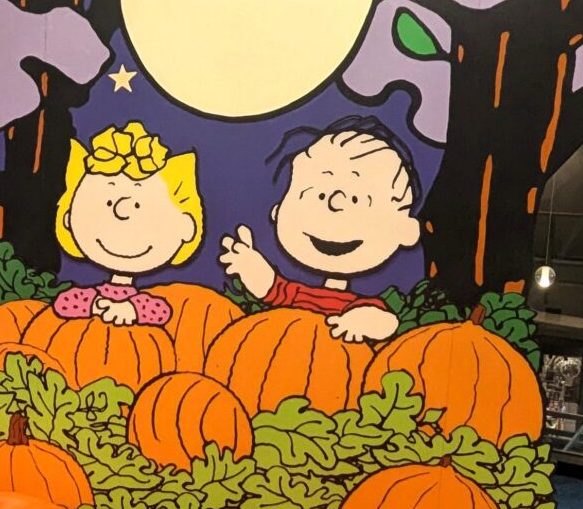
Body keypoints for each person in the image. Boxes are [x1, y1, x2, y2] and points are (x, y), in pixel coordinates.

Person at [219, 115, 421, 343]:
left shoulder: (355, 305)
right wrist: (250, 265)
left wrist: (361, 321)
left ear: (405, 231)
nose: (334, 206)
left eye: (357, 200)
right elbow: (273, 290)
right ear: (278, 212)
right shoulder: (296, 294)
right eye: (319, 195)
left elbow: (386, 322)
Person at [49, 122, 202, 326]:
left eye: (139, 205)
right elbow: (63, 304)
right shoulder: (89, 296)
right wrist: (94, 305)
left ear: (187, 227)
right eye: (108, 202)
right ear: (68, 217)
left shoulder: (145, 303)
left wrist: (131, 309)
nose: (122, 213)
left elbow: (161, 312)